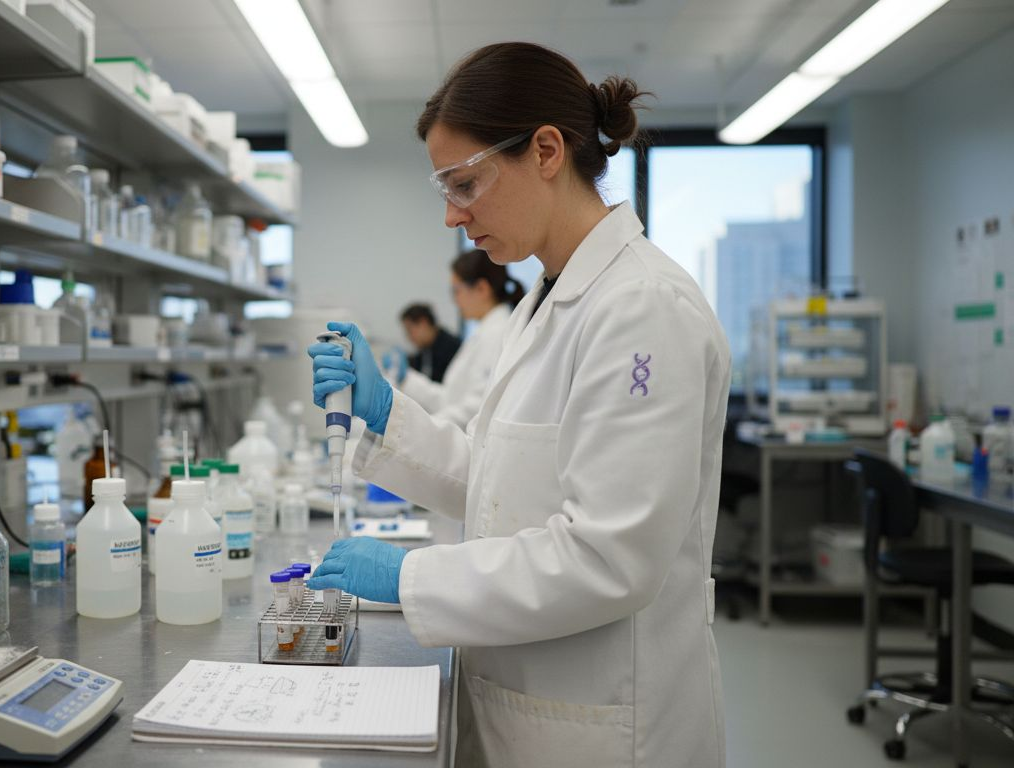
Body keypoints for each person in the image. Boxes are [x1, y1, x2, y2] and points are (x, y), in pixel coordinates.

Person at [307, 42, 730, 768]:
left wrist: (409, 578)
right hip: (527, 702)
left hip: (607, 731)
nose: (451, 216)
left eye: (463, 184)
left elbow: (608, 556)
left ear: (544, 150)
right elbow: (505, 481)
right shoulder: (549, 295)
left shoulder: (641, 311)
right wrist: (387, 414)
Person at [388, 252, 524, 429]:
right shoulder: (483, 332)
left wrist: (418, 427)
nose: (454, 300)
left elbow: (476, 408)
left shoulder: (497, 333)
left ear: (482, 288)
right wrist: (407, 378)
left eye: (456, 291)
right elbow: (450, 399)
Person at [399, 303, 461, 383]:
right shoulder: (426, 350)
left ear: (423, 323)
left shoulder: (452, 349)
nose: (409, 337)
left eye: (410, 330)